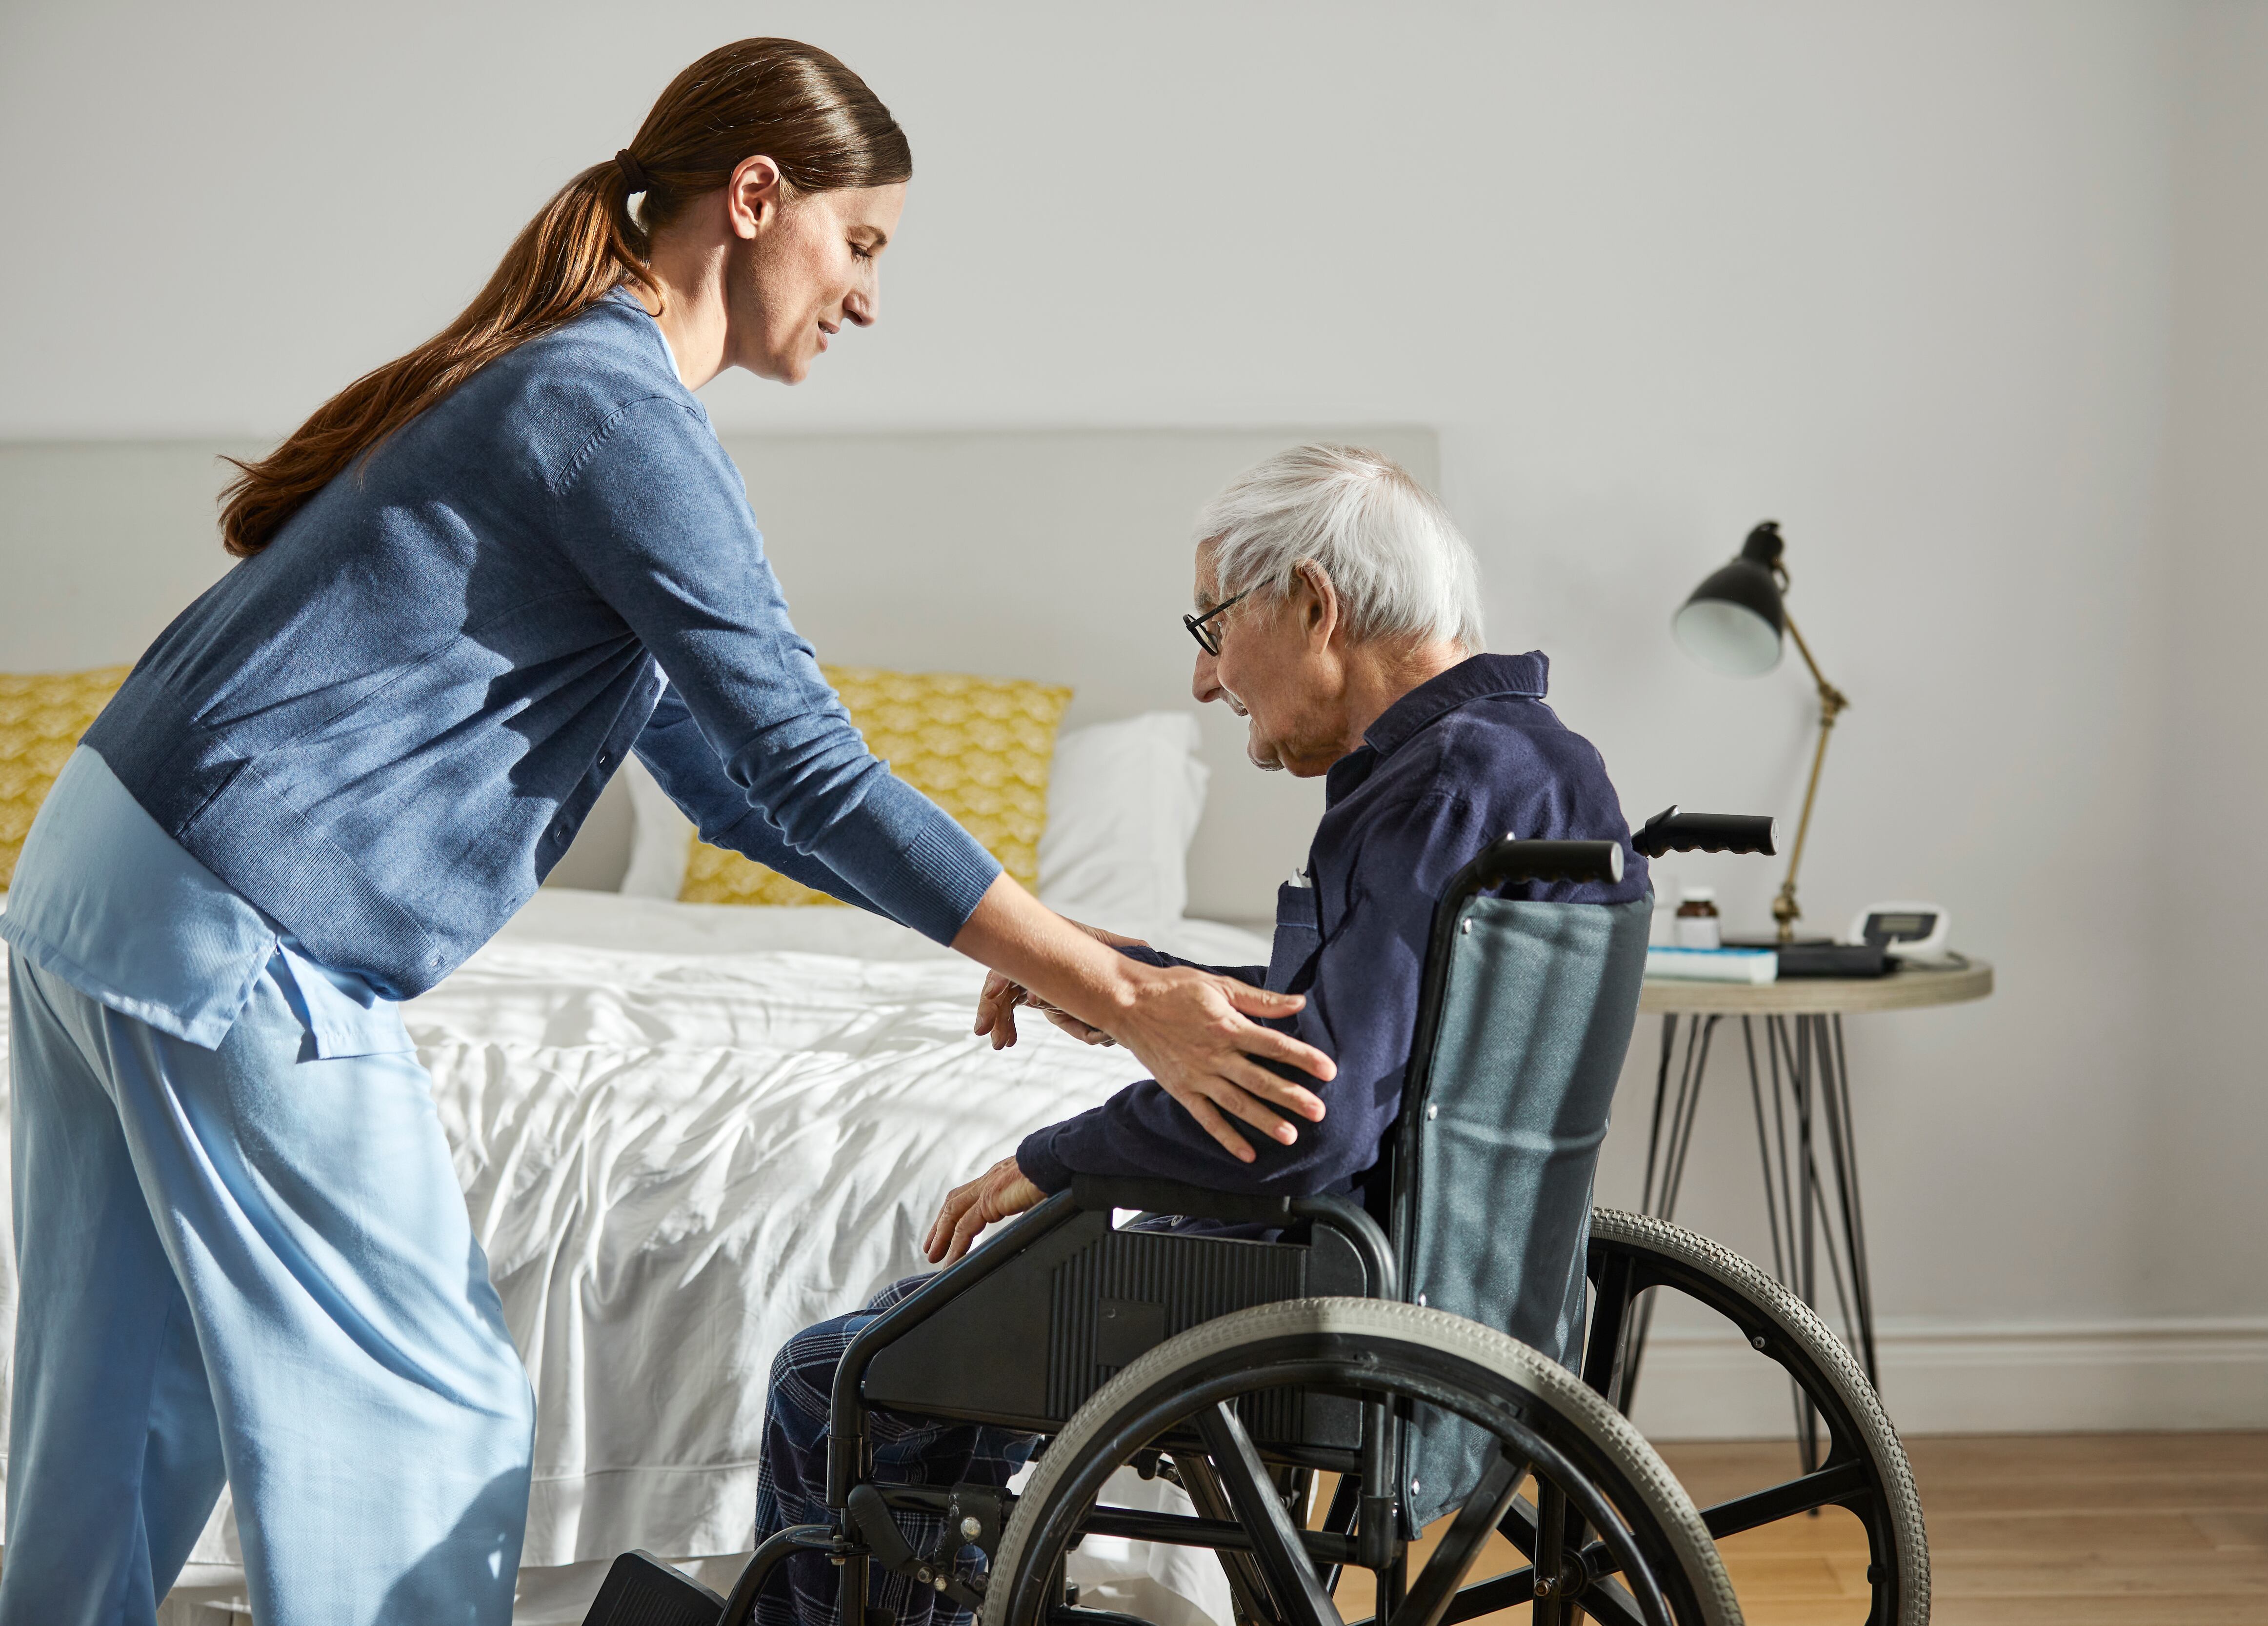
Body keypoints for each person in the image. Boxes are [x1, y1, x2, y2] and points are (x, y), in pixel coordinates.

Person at [0, 40, 1336, 1626]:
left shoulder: (563, 384)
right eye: (865, 244)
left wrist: (1073, 950)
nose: (870, 299)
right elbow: (813, 766)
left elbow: (730, 787)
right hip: (237, 918)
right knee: (426, 1417)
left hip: (95, 880)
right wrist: (1123, 999)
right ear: (758, 198)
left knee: (119, 1413)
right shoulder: (611, 407)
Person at [753, 443, 1649, 1626]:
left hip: (1319, 1277)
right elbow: (1364, 1022)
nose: (1201, 674)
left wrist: (1057, 1155)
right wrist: (1127, 977)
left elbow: (1308, 1109)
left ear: (1314, 603)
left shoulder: (1434, 783)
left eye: (1215, 623)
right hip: (1441, 1268)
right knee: (926, 1343)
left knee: (839, 1372)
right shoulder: (1526, 761)